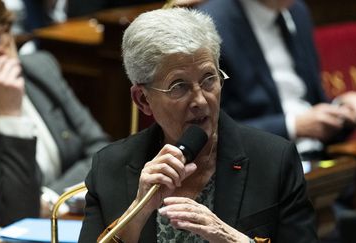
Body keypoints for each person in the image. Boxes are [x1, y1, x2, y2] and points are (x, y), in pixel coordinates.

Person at [79, 7, 318, 243]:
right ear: (143, 100)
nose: (201, 100)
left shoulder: (274, 161)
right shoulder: (109, 168)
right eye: (179, 86)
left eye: (208, 79)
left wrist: (232, 239)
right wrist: (137, 212)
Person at [198, 0, 356, 159]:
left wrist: (342, 108)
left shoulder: (297, 11)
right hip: (260, 170)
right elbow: (213, 131)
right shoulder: (212, 24)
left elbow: (311, 105)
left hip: (319, 160)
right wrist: (293, 127)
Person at [0, 0, 109, 226]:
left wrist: (52, 198)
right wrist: (9, 114)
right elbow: (18, 215)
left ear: (9, 29)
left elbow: (101, 151)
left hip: (71, 220)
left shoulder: (41, 68)